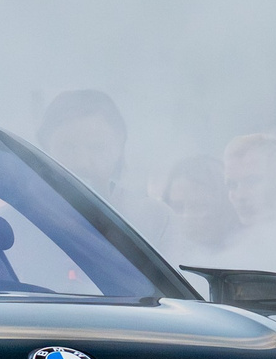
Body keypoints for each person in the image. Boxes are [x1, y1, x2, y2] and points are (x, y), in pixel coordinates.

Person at [33, 88, 177, 250]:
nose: (82, 162)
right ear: (46, 148)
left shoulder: (155, 220)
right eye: (68, 147)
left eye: (97, 147)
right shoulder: (23, 215)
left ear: (119, 147)